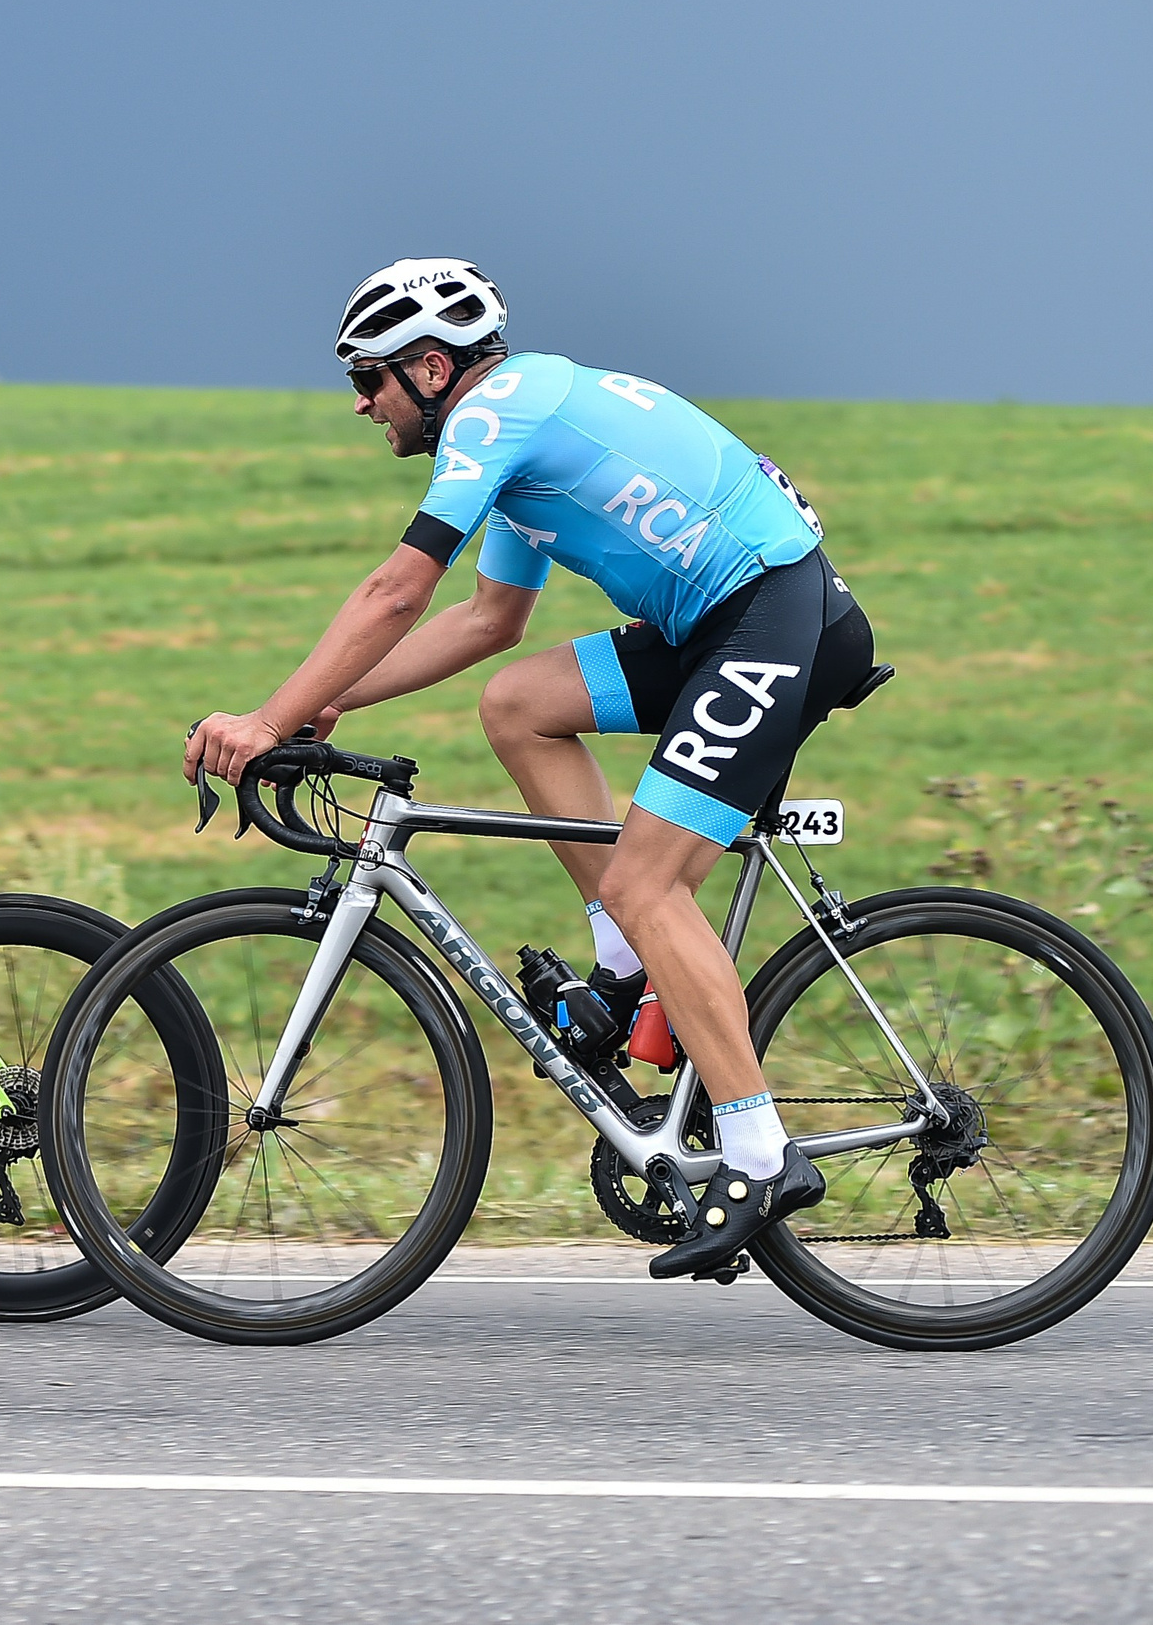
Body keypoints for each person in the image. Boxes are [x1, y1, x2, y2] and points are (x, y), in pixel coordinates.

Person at [186, 260, 876, 1278]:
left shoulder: (493, 416)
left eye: (368, 381)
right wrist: (332, 704)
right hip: (714, 627)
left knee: (649, 879)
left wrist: (267, 718)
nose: (363, 407)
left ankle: (757, 1155)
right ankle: (629, 958)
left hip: (773, 616)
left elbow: (395, 593)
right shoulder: (516, 439)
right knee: (518, 702)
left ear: (430, 366)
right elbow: (487, 623)